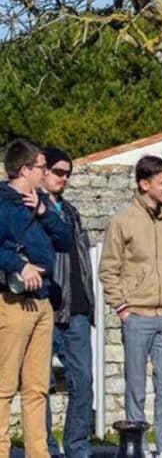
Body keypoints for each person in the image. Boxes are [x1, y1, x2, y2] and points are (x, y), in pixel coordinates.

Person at [98, 156, 162, 458]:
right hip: (136, 315)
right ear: (144, 184)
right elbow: (108, 269)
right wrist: (123, 308)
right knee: (135, 384)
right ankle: (136, 445)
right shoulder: (122, 221)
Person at [0, 139, 72, 458]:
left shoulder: (42, 202)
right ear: (25, 169)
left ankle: (37, 452)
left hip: (42, 300)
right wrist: (19, 264)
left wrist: (44, 212)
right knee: (3, 387)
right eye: (41, 167)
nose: (45, 173)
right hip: (13, 302)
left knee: (37, 388)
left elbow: (65, 240)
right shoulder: (2, 203)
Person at [41, 149, 94, 458]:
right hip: (46, 306)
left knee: (83, 382)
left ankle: (77, 448)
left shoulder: (72, 211)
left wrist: (88, 301)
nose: (64, 177)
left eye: (68, 173)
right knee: (40, 386)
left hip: (76, 310)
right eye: (58, 171)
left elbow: (83, 260)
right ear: (42, 171)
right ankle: (45, 447)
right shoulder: (32, 210)